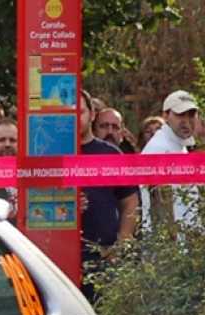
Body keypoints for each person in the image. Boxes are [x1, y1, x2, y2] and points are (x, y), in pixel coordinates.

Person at [79, 91, 137, 300]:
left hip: (103, 257)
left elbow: (130, 201)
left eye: (80, 111)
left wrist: (121, 245)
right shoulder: (50, 154)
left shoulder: (110, 154)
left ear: (92, 114)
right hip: (62, 258)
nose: (75, 117)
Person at [141, 89, 200, 235]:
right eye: (180, 115)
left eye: (191, 115)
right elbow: (159, 207)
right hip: (169, 246)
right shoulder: (160, 149)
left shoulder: (179, 145)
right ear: (165, 116)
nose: (186, 121)